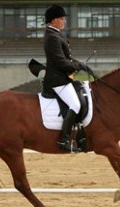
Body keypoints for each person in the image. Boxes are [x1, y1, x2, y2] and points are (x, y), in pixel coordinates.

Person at [43, 4, 92, 153]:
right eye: (62, 18)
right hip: (57, 80)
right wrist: (79, 66)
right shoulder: (52, 37)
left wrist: (79, 64)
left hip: (63, 78)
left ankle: (80, 136)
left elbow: (67, 58)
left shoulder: (56, 34)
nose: (64, 21)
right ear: (53, 20)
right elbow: (61, 62)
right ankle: (63, 139)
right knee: (75, 105)